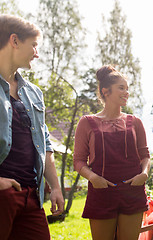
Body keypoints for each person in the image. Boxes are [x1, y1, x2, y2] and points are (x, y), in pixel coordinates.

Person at [0, 14, 64, 240]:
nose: (37, 53)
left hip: (31, 196)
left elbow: (44, 142)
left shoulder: (34, 92)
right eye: (34, 45)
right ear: (14, 41)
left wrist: (55, 186)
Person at [73, 65, 150, 240]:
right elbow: (78, 161)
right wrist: (93, 178)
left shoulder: (135, 122)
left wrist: (144, 174)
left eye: (127, 89)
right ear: (105, 91)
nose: (126, 92)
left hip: (133, 191)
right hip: (101, 192)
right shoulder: (87, 122)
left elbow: (145, 156)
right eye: (121, 88)